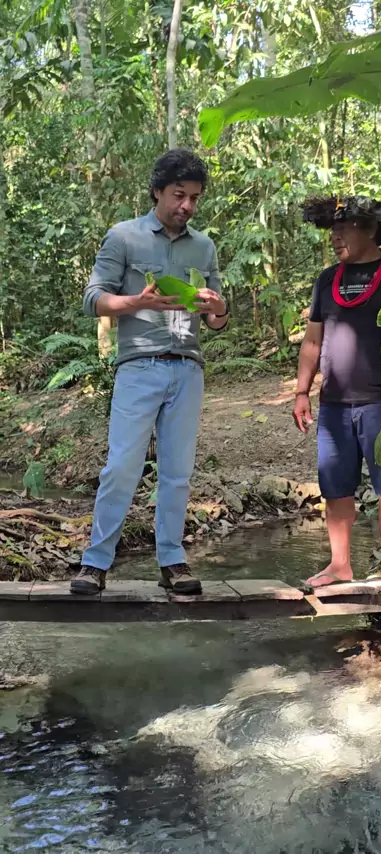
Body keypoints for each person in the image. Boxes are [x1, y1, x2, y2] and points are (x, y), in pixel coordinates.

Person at [71, 149, 228, 596]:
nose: (187, 206)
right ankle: (95, 564)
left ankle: (172, 561)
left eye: (194, 198)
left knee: (177, 473)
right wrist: (136, 302)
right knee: (122, 467)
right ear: (157, 191)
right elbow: (92, 298)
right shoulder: (124, 236)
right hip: (138, 367)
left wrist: (218, 307)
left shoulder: (204, 246)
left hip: (188, 369)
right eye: (179, 195)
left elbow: (218, 321)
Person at [292, 196, 381, 590]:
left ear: (370, 230)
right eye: (332, 230)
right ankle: (340, 565)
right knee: (335, 487)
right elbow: (312, 341)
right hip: (334, 405)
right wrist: (302, 391)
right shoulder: (327, 280)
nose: (335, 236)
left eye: (344, 228)